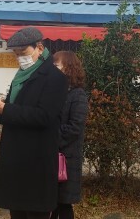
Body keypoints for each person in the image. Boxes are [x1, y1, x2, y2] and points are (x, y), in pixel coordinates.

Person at [0, 27, 68, 219]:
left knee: (34, 211)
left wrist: (5, 109)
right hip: (16, 155)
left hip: (36, 157)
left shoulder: (55, 78)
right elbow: (17, 108)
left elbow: (44, 116)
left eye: (23, 53)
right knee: (17, 210)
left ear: (39, 47)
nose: (19, 58)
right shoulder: (21, 75)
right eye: (15, 53)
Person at [50, 51, 89, 219]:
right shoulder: (55, 92)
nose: (53, 70)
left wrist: (51, 137)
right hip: (52, 155)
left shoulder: (77, 94)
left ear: (69, 68)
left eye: (57, 66)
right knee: (53, 203)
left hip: (67, 158)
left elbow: (74, 128)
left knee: (64, 203)